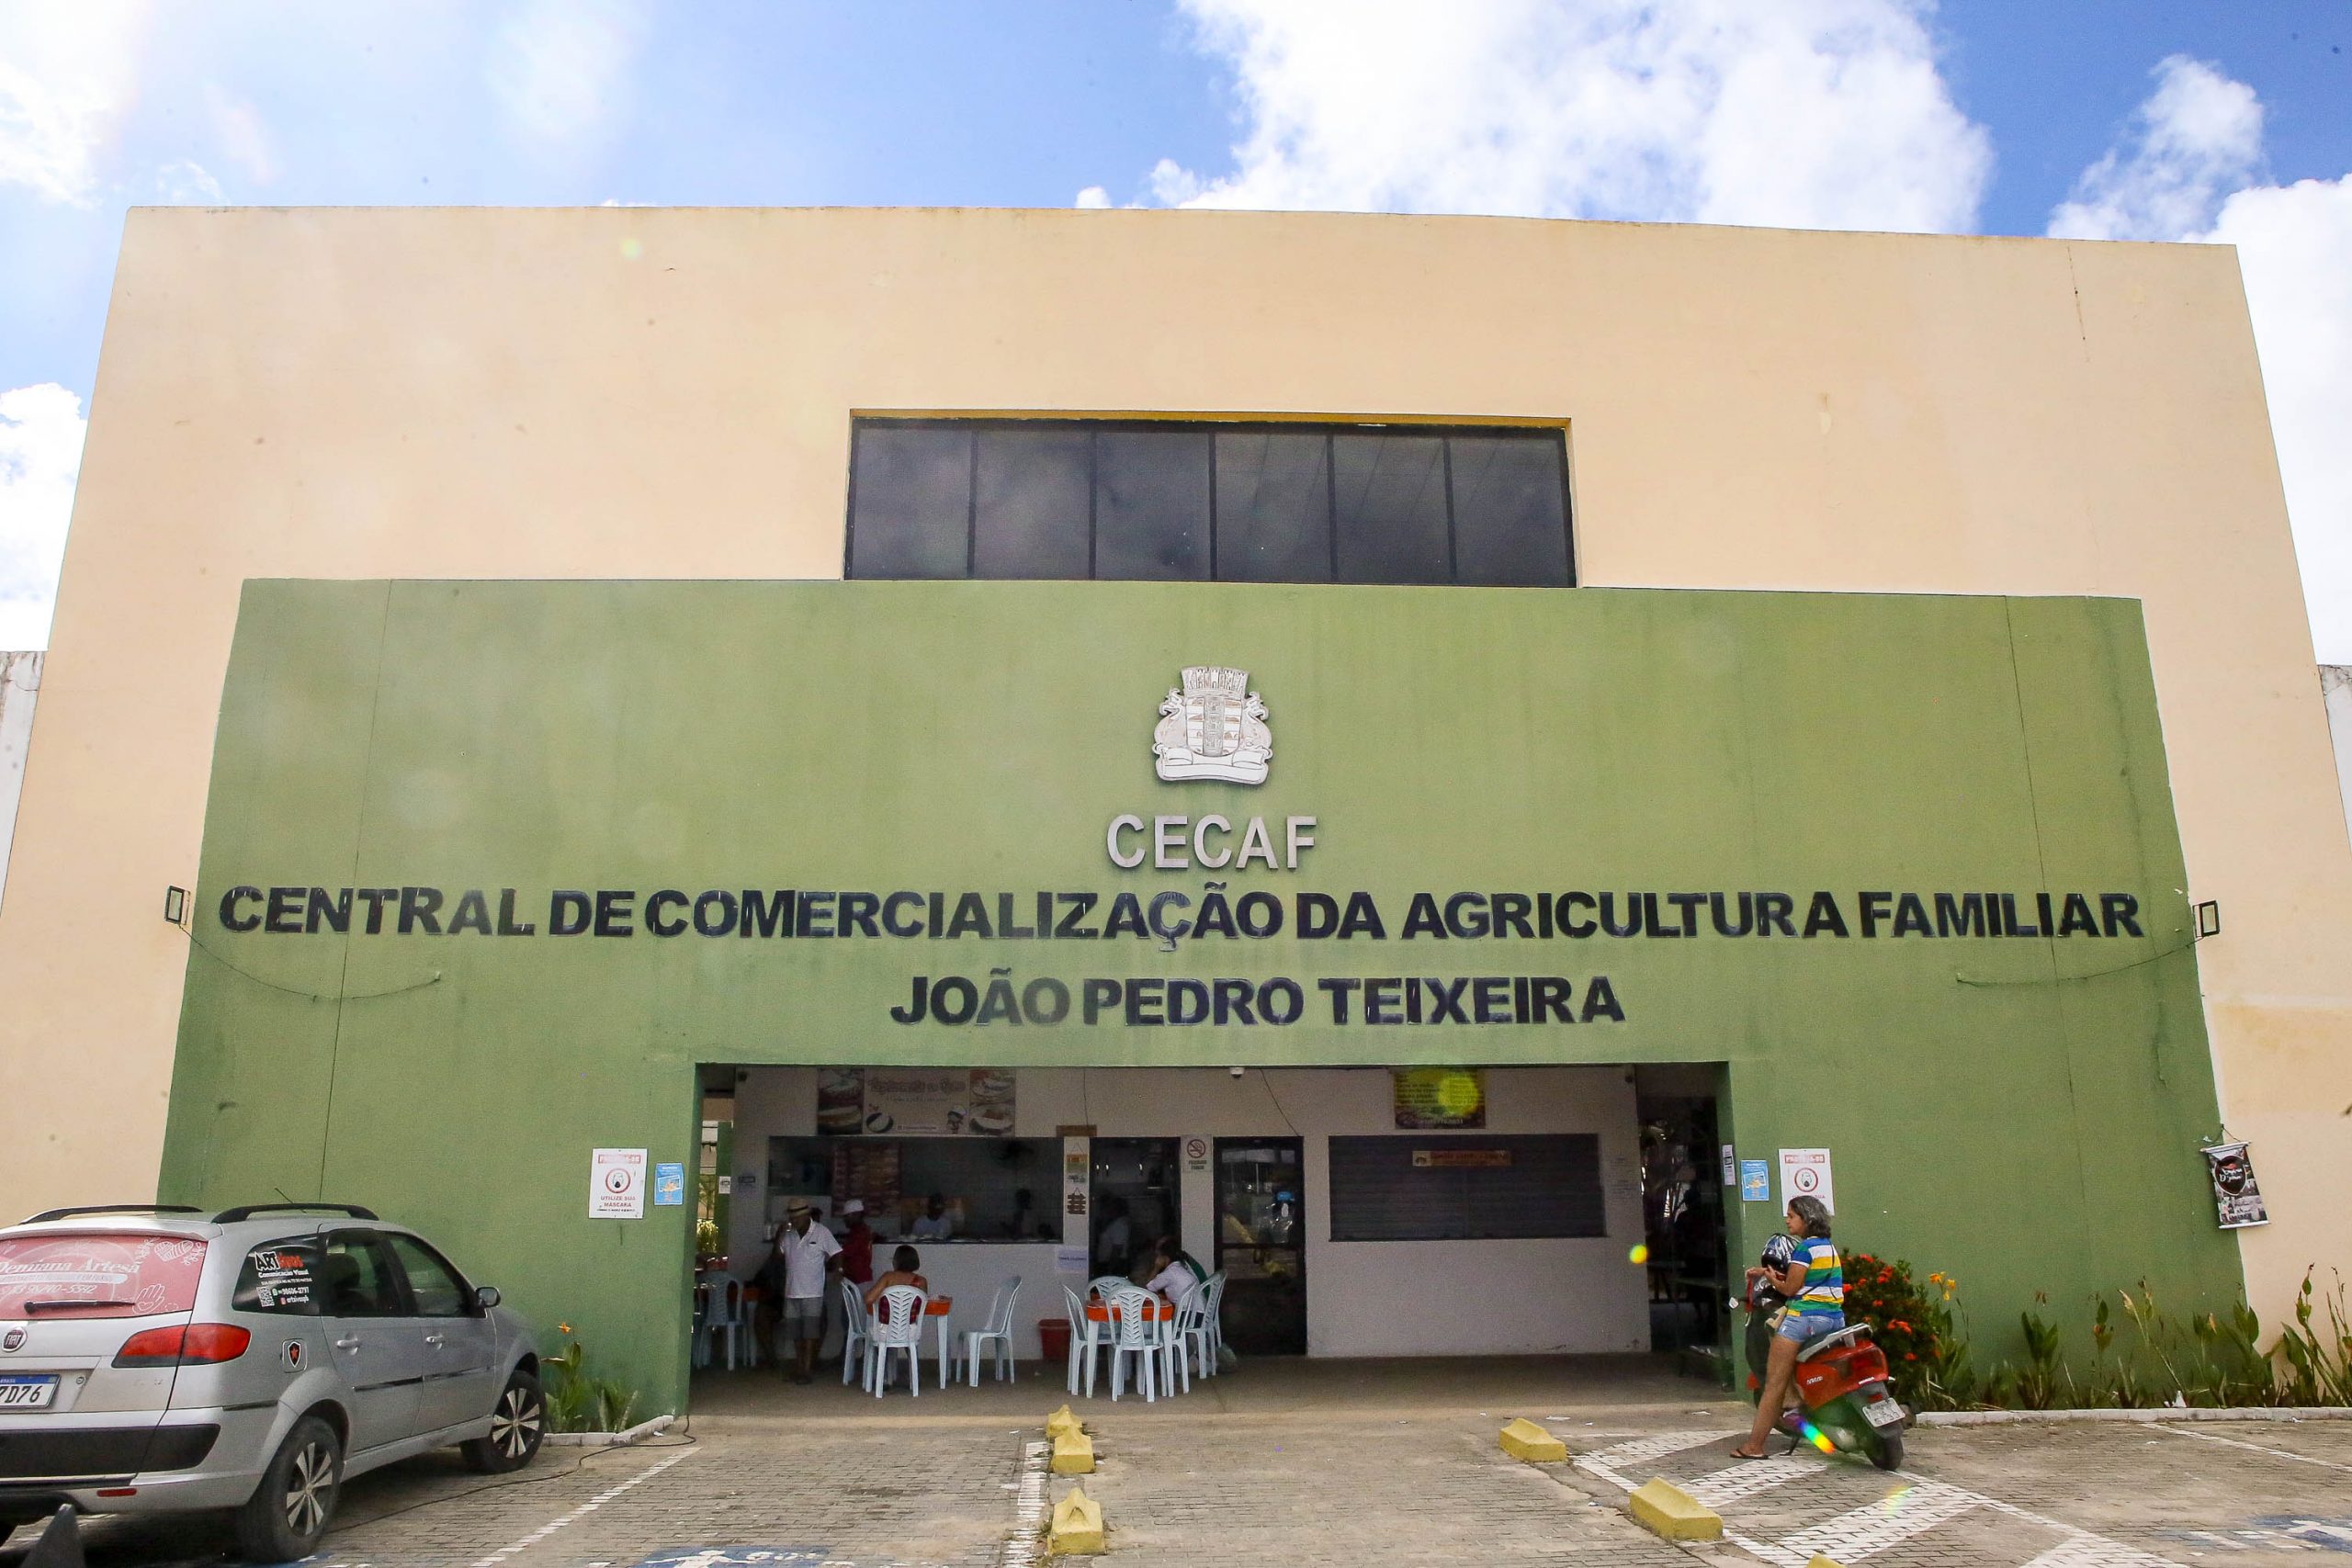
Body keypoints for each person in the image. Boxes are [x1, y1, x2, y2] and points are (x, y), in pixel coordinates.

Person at [1731, 1195, 1843, 1458]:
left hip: (1804, 1319)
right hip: (1834, 1319)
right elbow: (1807, 1277)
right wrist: (1764, 1272)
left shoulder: (1803, 1249)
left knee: (1774, 1384)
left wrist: (1772, 1280)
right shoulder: (1828, 1247)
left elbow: (1790, 1288)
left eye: (1792, 1216)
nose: (1787, 1220)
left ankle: (1755, 1445)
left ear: (1806, 1219)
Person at [770, 1199, 841, 1386]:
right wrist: (779, 1234)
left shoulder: (821, 1232)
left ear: (806, 1216)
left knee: (809, 1333)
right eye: (791, 1218)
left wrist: (837, 1271)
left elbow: (837, 1253)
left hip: (812, 1293)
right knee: (795, 1334)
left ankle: (807, 1370)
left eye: (797, 1218)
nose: (793, 1221)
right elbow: (776, 1257)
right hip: (791, 1292)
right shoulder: (789, 1235)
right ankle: (799, 1368)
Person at [1143, 1235, 1207, 1309]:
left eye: (1158, 1255)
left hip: (1189, 1313)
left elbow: (1146, 1290)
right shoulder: (1182, 1266)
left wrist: (1156, 1268)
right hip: (1199, 1311)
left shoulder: (1169, 1273)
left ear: (1165, 1258)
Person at [862, 1244, 931, 1309]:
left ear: (896, 1261)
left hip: (887, 1317)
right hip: (911, 1318)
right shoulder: (921, 1281)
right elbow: (923, 1306)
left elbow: (868, 1299)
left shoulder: (888, 1277)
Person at [1096, 1196, 1133, 1275]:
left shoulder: (1119, 1225)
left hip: (1114, 1264)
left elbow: (1117, 1249)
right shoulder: (1115, 1224)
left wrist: (1110, 1270)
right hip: (1110, 1263)